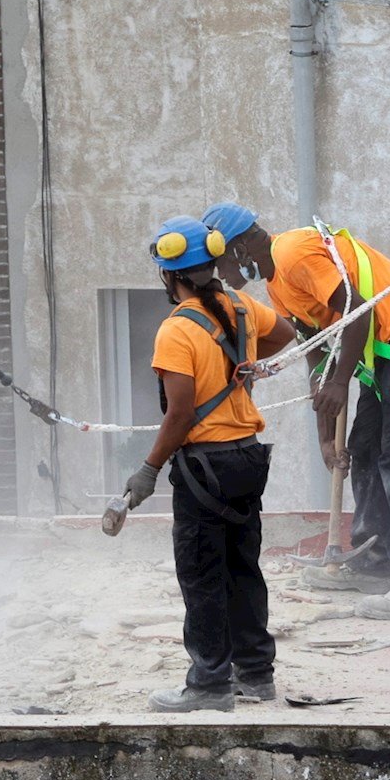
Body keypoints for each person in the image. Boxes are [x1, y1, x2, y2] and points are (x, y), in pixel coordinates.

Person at [202, 202, 390, 620]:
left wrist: (340, 382)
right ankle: (372, 564)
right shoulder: (278, 285)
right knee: (366, 450)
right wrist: (324, 434)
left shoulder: (291, 253)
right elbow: (318, 358)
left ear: (241, 250)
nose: (222, 276)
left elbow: (358, 309)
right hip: (386, 347)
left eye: (221, 264)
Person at [116, 215, 296, 712]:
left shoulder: (176, 331)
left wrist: (149, 469)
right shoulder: (240, 307)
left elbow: (178, 414)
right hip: (247, 459)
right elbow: (284, 333)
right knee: (243, 567)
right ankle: (256, 674)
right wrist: (245, 367)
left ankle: (210, 685)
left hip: (204, 469)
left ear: (170, 276)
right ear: (211, 264)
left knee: (202, 575)